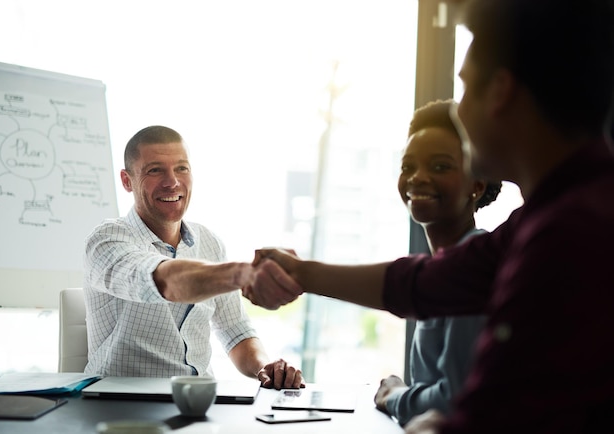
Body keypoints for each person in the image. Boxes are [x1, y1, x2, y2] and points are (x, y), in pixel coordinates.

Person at [244, 0, 614, 431]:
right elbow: (424, 282)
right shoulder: (546, 218)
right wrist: (299, 272)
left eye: (464, 90)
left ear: (499, 92)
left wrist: (417, 414)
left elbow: (483, 410)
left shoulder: (571, 233)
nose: (460, 115)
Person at [83, 125, 304, 390]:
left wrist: (264, 368)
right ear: (127, 180)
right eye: (155, 170)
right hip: (122, 404)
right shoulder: (107, 241)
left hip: (199, 401)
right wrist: (247, 274)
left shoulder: (209, 243)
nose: (172, 181)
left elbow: (235, 330)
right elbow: (165, 281)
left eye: (181, 168)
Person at [373, 99, 501, 426]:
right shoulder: (443, 264)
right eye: (408, 166)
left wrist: (395, 395)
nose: (418, 178)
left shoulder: (474, 266)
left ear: (477, 184)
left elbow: (454, 398)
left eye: (440, 166)